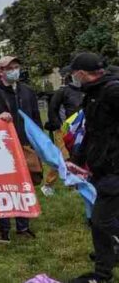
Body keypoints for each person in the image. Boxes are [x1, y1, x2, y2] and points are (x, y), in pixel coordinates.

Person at [64, 53, 119, 283]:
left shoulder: (112, 92)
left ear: (82, 74)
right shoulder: (93, 95)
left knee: (101, 220)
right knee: (103, 219)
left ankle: (102, 273)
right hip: (103, 166)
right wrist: (77, 160)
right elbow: (91, 133)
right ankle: (104, 265)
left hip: (115, 168)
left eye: (73, 73)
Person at [0, 56, 40, 244]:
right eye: (10, 68)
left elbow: (35, 118)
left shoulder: (27, 92)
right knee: (3, 188)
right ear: (0, 71)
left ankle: (23, 226)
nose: (15, 70)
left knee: (23, 187)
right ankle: (3, 229)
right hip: (1, 149)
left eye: (17, 66)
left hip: (24, 145)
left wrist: (38, 142)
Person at [42, 72, 85, 197]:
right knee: (62, 157)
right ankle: (48, 185)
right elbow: (52, 109)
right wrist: (58, 126)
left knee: (76, 157)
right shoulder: (63, 92)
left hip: (81, 129)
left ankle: (74, 185)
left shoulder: (86, 90)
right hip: (64, 129)